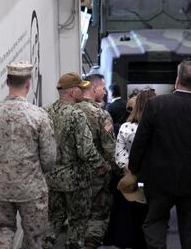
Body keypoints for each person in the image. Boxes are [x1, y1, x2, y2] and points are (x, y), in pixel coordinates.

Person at [128, 59, 191, 249]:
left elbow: (141, 142)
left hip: (158, 180)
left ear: (177, 79)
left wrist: (134, 169)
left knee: (155, 223)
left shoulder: (156, 105)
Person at [0, 62, 56, 249]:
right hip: (32, 189)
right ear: (28, 84)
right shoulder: (39, 116)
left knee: (0, 232)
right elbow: (49, 158)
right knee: (33, 238)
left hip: (1, 188)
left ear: (7, 82)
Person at [44, 73, 107, 249]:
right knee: (78, 221)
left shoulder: (45, 112)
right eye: (81, 87)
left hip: (52, 178)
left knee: (53, 218)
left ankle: (45, 244)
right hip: (76, 180)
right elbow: (85, 149)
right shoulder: (77, 115)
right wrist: (100, 166)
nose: (83, 90)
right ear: (72, 92)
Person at [108, 88, 156, 249]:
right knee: (154, 218)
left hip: (132, 178)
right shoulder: (160, 127)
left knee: (134, 216)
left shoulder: (126, 127)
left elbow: (119, 155)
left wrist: (130, 169)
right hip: (155, 179)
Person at [76, 73, 117, 248]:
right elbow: (110, 148)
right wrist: (114, 170)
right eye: (102, 88)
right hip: (97, 176)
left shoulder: (71, 110)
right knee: (97, 216)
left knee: (77, 216)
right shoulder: (101, 114)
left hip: (72, 175)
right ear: (94, 89)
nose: (106, 92)